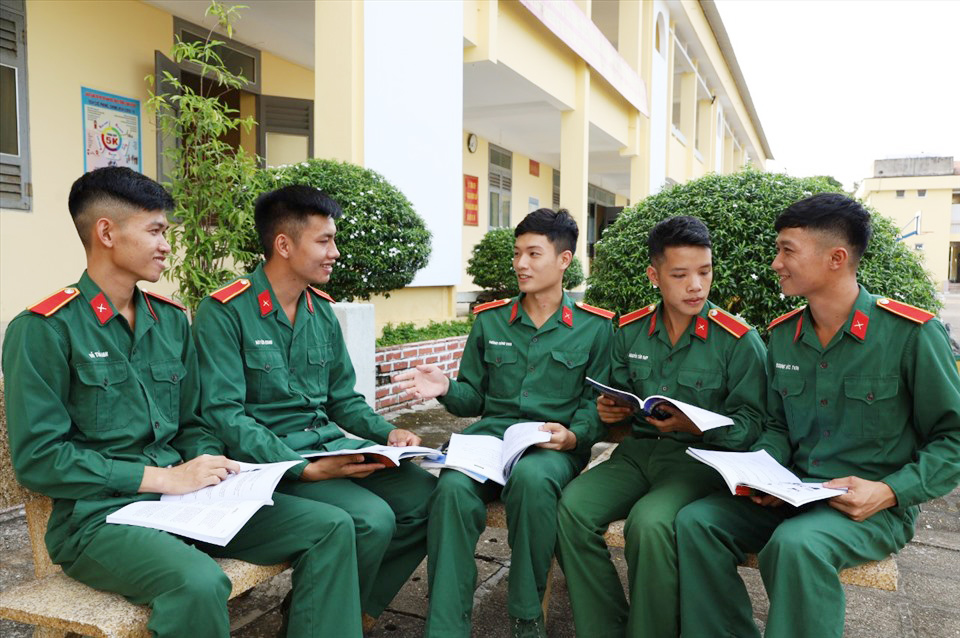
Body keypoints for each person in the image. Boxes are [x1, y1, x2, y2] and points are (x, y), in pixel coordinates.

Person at [1, 167, 363, 637]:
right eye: (155, 231)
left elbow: (193, 423)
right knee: (198, 583)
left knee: (332, 525)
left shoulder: (169, 322)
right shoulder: (45, 329)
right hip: (100, 519)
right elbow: (40, 460)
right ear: (106, 233)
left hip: (185, 501)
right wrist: (162, 478)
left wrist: (211, 466)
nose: (166, 246)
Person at [676, 193, 960, 638]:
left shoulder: (911, 335)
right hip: (795, 491)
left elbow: (953, 437)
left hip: (870, 505)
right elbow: (778, 425)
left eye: (787, 250)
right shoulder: (784, 337)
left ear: (836, 258)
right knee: (696, 523)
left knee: (796, 545)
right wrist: (765, 476)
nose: (776, 263)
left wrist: (889, 491)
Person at [191, 184, 436, 623]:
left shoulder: (320, 311)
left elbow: (343, 399)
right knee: (371, 519)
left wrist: (388, 433)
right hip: (270, 462)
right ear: (284, 245)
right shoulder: (225, 311)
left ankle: (350, 610)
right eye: (324, 241)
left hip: (328, 449)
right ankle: (324, 618)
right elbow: (224, 414)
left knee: (429, 498)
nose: (335, 253)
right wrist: (301, 467)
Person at [394, 208, 614, 638]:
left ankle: (526, 619)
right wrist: (445, 387)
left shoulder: (595, 327)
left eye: (533, 253)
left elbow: (597, 405)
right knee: (451, 490)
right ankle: (445, 626)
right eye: (517, 253)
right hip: (490, 442)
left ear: (564, 260)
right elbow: (474, 398)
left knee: (532, 480)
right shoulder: (491, 320)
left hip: (550, 446)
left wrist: (574, 437)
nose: (520, 264)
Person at [555, 215, 767, 637]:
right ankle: (606, 628)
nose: (696, 286)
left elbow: (755, 424)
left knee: (650, 523)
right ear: (655, 276)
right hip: (635, 454)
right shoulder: (631, 331)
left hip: (699, 461)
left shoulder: (738, 340)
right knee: (572, 509)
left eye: (705, 272)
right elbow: (616, 400)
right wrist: (611, 414)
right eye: (680, 275)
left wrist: (698, 427)